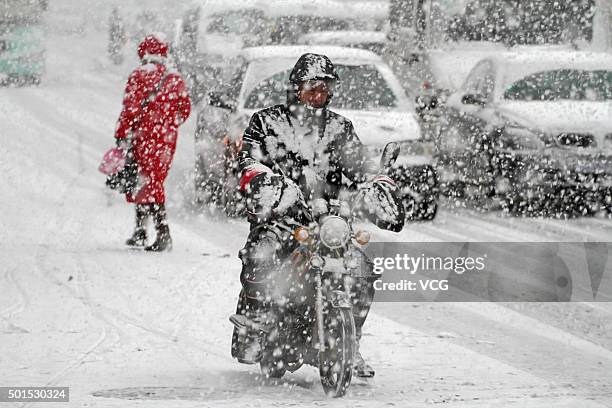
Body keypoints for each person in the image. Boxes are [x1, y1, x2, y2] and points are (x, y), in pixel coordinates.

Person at [233, 53, 405, 377]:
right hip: (283, 218)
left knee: (362, 270)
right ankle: (256, 323)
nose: (318, 94)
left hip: (329, 222)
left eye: (325, 88)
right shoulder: (267, 122)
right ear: (296, 87)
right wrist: (267, 183)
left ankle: (350, 345)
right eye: (312, 87)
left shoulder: (339, 127)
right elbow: (248, 161)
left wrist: (375, 181)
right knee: (262, 252)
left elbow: (360, 166)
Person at [114, 34, 191, 252]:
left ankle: (162, 233)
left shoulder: (139, 75)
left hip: (143, 137)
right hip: (166, 140)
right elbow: (184, 108)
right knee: (150, 181)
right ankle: (141, 231)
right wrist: (169, 124)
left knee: (148, 182)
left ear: (144, 53)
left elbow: (130, 108)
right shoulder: (174, 78)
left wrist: (122, 134)